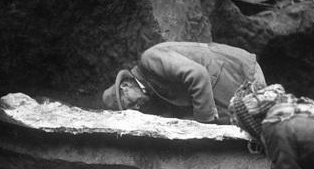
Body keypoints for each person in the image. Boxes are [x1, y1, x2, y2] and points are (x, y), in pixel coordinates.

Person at [102, 41, 266, 124]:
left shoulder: (149, 59)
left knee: (269, 126)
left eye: (130, 104)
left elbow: (198, 74)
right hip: (231, 87)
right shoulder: (150, 88)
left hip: (238, 73)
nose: (137, 108)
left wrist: (204, 122)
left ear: (125, 86)